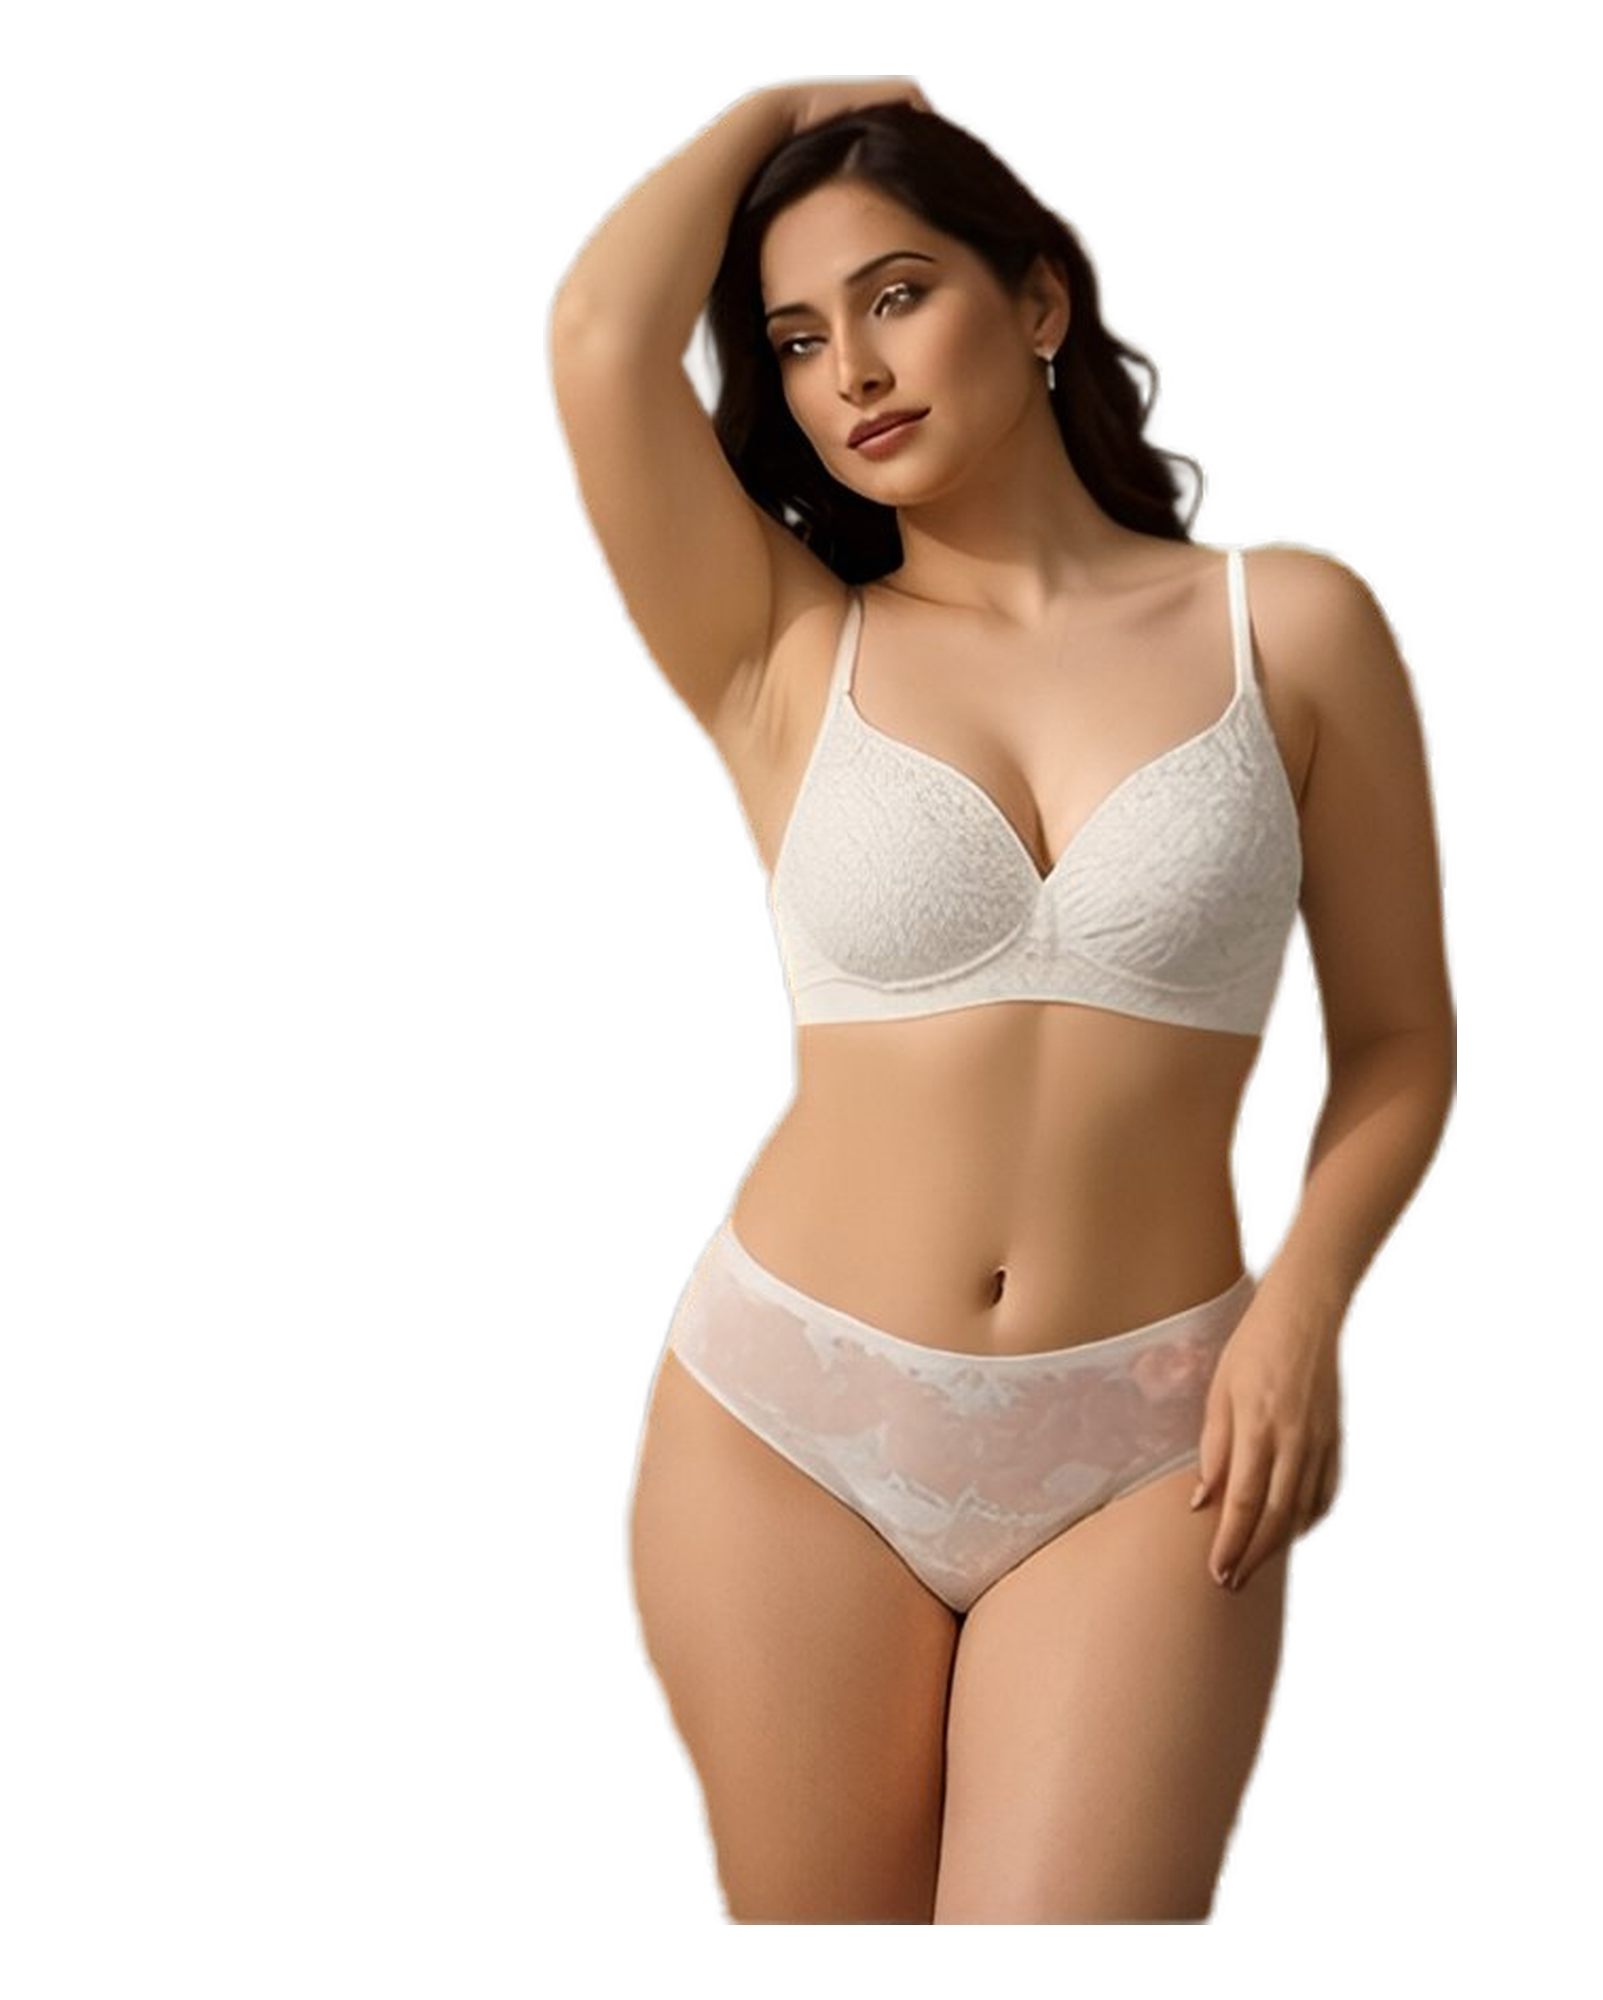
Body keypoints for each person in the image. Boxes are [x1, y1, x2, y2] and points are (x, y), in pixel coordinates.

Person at [546, 76, 1457, 1924]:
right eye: (799, 340)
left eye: (897, 294)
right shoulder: (782, 644)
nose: (852, 373)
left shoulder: (1288, 626)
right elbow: (599, 341)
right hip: (788, 1424)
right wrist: (790, 102)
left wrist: (1302, 1308)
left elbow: (1401, 1042)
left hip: (1155, 1428)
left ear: (1039, 297)